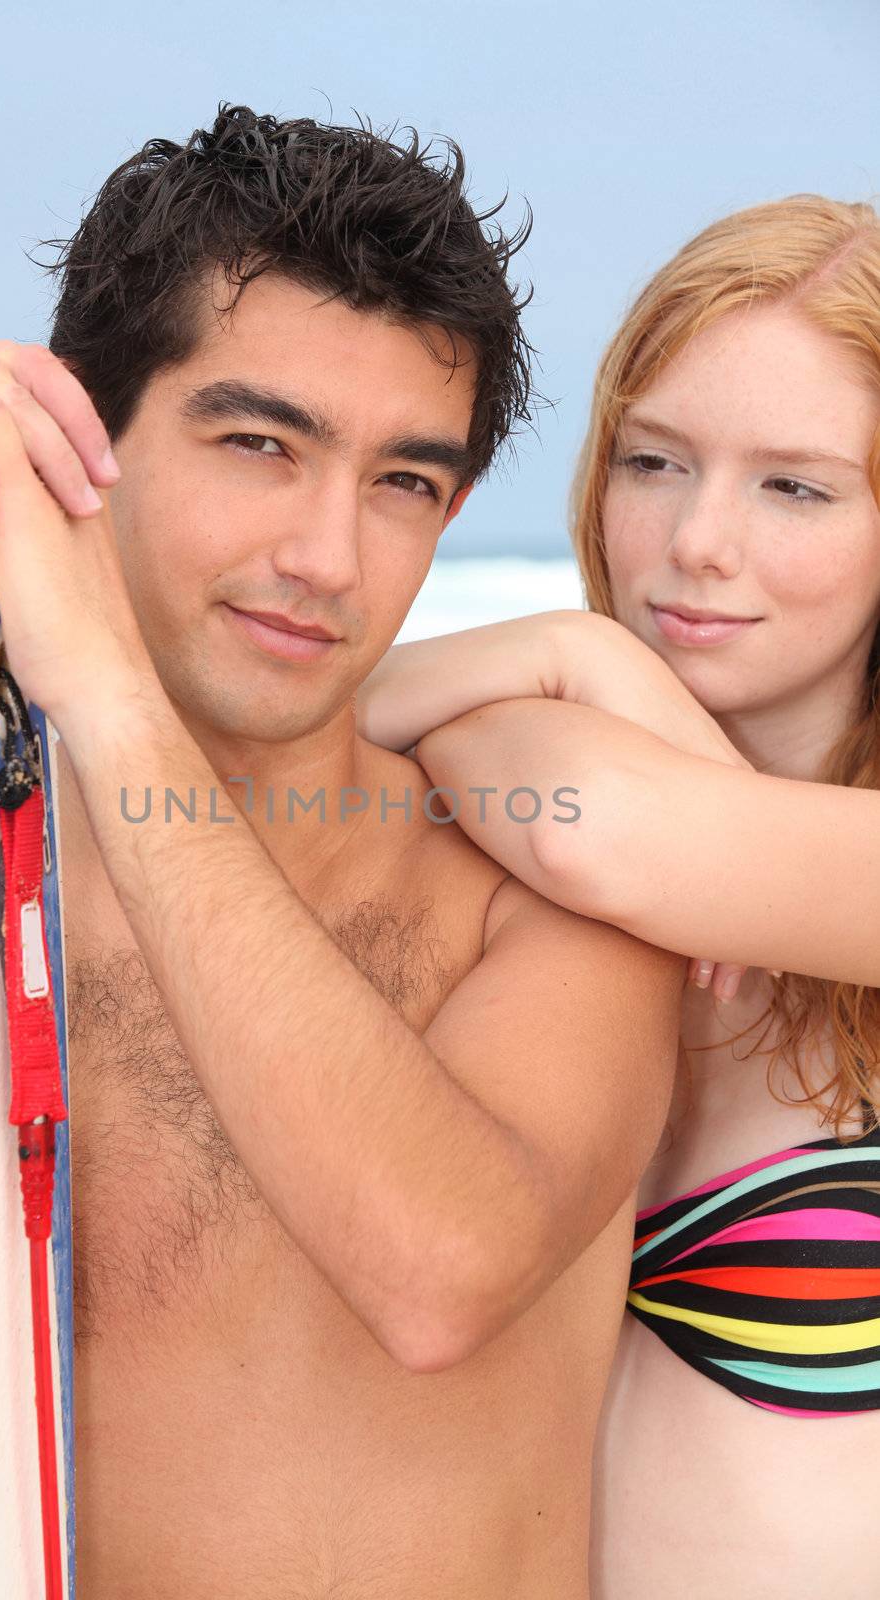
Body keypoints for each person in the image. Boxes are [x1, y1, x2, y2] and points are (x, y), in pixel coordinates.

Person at [0, 106, 687, 1598]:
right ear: (85, 435)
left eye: (405, 485)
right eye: (260, 444)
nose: (329, 556)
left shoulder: (548, 889)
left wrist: (111, 706)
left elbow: (442, 1268)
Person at [357, 193, 880, 1597]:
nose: (698, 542)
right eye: (655, 462)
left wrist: (587, 668)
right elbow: (329, 735)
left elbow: (606, 832)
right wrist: (570, 662)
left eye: (798, 486)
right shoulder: (504, 824)